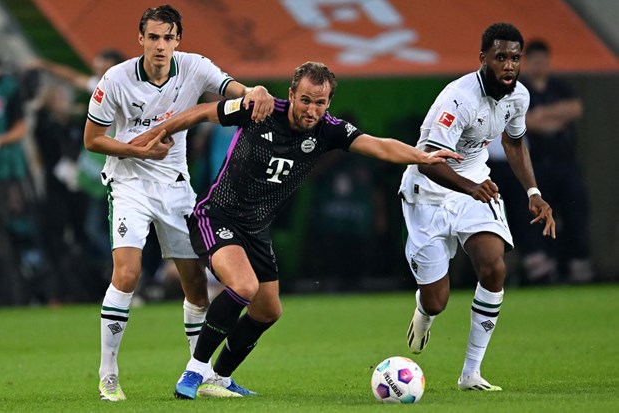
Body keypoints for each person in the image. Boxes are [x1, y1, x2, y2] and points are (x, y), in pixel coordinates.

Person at [129, 61, 462, 399]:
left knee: (267, 310)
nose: (311, 109)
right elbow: (201, 112)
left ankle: (220, 377)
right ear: (291, 95)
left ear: (328, 103)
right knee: (243, 286)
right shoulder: (259, 108)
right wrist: (159, 132)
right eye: (305, 100)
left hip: (256, 229)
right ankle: (194, 371)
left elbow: (378, 145)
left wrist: (422, 156)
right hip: (218, 216)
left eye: (320, 103)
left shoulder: (329, 130)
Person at [82, 5, 274, 401]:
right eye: (153, 37)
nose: (161, 46)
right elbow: (92, 139)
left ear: (178, 41)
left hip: (176, 188)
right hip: (129, 185)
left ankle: (199, 375)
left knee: (196, 287)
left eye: (168, 38)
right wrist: (139, 152)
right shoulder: (115, 80)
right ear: (140, 39)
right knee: (128, 274)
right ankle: (109, 375)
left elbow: (235, 90)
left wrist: (256, 92)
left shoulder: (194, 67)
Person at [399, 23, 556, 391]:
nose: (509, 66)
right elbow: (426, 160)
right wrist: (470, 187)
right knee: (437, 300)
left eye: (515, 58)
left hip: (474, 187)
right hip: (429, 192)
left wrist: (532, 191)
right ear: (483, 58)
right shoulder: (458, 100)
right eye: (500, 57)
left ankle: (470, 373)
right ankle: (424, 311)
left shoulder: (519, 97)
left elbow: (515, 143)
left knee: (493, 267)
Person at [519, 39, 594, 284]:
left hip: (565, 164)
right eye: (535, 61)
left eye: (543, 60)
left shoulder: (561, 86)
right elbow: (525, 122)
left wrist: (542, 115)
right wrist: (549, 118)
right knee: (538, 216)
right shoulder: (521, 90)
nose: (540, 65)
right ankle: (542, 269)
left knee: (574, 212)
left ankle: (579, 265)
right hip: (538, 165)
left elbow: (574, 109)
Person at [0, 58, 28, 305]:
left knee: (6, 236)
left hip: (6, 173)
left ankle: (13, 295)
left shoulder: (8, 87)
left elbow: (21, 128)